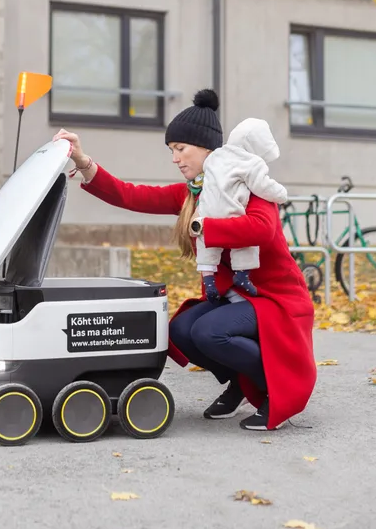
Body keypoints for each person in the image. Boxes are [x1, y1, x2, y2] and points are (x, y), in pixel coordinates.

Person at [53, 89, 317, 431]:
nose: (175, 158)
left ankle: (268, 388)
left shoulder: (245, 183)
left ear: (207, 148)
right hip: (236, 295)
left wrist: (204, 226)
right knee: (178, 331)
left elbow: (263, 230)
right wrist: (83, 161)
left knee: (209, 332)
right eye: (171, 151)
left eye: (181, 149)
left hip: (272, 297)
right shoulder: (193, 191)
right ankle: (240, 381)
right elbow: (132, 195)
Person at [195, 117, 288, 303]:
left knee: (205, 246)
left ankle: (209, 280)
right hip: (232, 209)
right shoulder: (251, 163)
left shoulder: (215, 156)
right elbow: (262, 186)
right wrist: (282, 194)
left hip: (206, 211)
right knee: (244, 243)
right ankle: (242, 275)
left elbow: (207, 171)